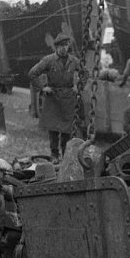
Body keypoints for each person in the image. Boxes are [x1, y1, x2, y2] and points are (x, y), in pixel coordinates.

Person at [28, 33, 80, 163]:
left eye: (66, 45)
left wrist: (79, 87)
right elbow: (32, 73)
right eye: (61, 46)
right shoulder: (48, 60)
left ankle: (66, 155)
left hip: (68, 98)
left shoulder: (74, 61)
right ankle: (55, 155)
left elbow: (85, 73)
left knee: (67, 131)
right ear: (56, 47)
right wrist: (43, 87)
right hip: (53, 98)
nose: (64, 48)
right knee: (53, 130)